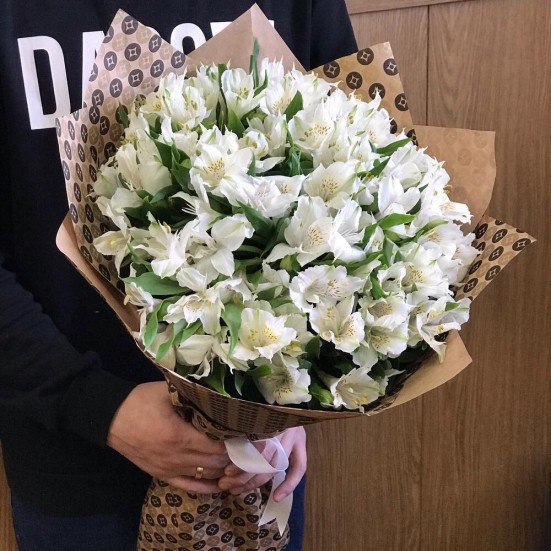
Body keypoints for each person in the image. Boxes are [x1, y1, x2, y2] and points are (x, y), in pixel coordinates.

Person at [0, 1, 357, 550]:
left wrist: (295, 396)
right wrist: (98, 407)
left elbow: (353, 171)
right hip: (71, 459)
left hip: (256, 457)